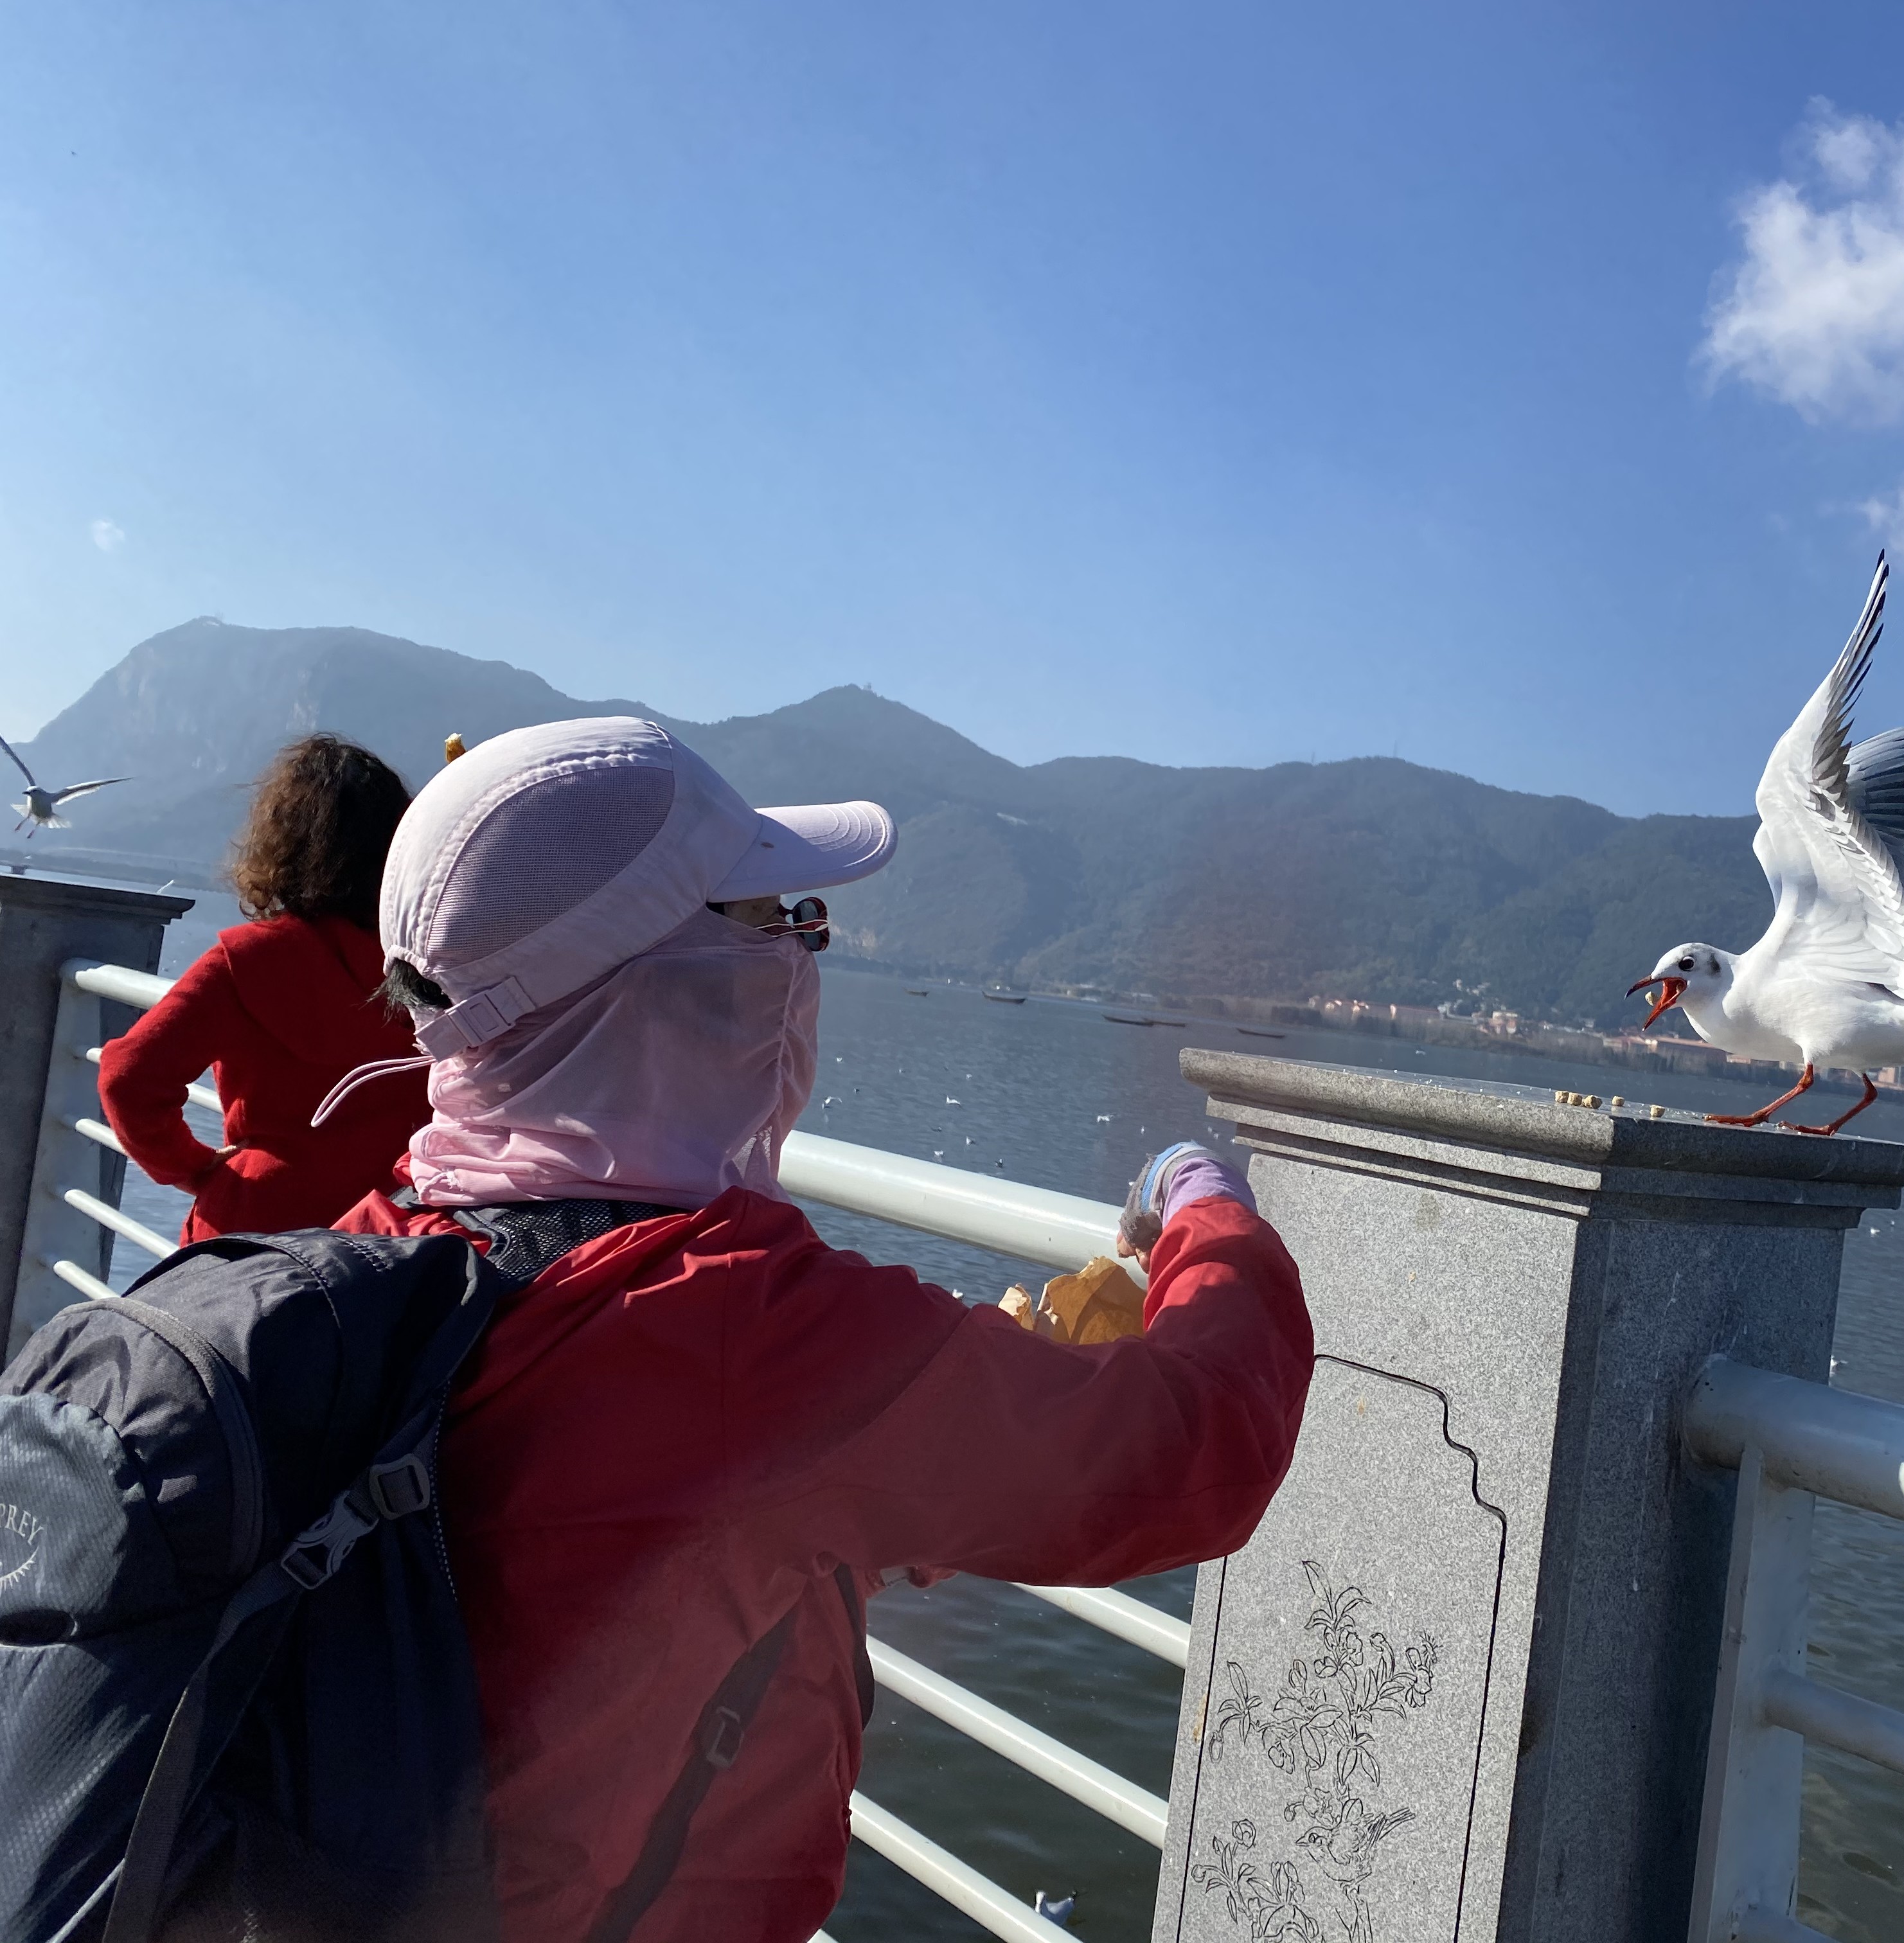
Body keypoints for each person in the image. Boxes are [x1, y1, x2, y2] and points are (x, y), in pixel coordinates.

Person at [332, 716, 1313, 1943]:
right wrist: (1201, 1196)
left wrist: (868, 1489)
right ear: (666, 977)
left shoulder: (363, 1248)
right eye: (774, 916)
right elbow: (1194, 1445)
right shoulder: (750, 1329)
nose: (802, 949)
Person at [98, 732, 427, 1240]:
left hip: (253, 1236)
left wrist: (191, 1168)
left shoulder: (246, 962)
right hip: (391, 1238)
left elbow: (129, 1077)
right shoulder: (433, 966)